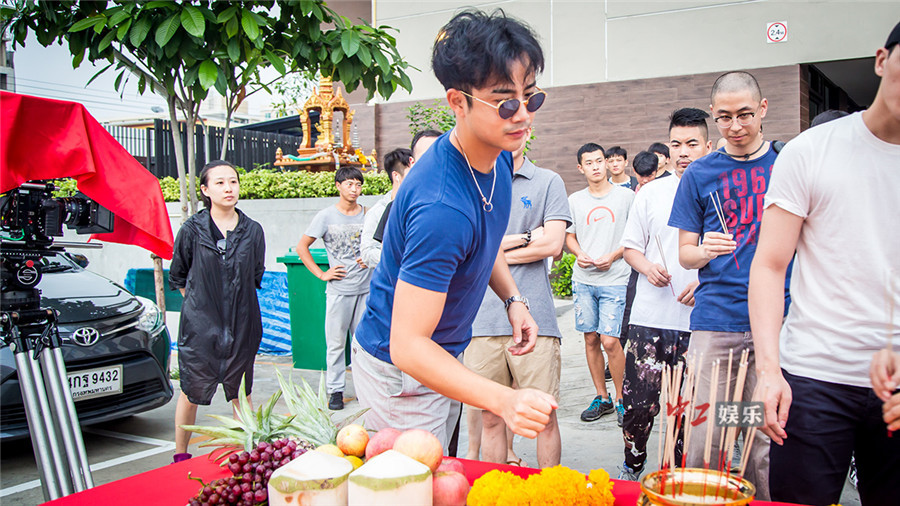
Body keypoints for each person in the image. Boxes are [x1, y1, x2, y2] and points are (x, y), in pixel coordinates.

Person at [350, 9, 556, 450]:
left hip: (443, 352)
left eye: (531, 97)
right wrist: (504, 399)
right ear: (458, 102)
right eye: (505, 102)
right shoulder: (440, 207)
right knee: (413, 479)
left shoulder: (498, 157)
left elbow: (484, 241)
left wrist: (513, 299)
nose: (523, 115)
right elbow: (407, 345)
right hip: (401, 373)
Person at [748, 23, 900, 505]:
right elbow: (770, 265)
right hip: (813, 377)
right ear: (882, 60)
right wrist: (769, 371)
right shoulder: (812, 150)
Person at [668, 71, 788, 500]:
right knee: (709, 434)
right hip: (717, 321)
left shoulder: (786, 164)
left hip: (778, 323)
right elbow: (684, 253)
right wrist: (704, 249)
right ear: (713, 116)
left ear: (763, 109)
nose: (735, 126)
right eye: (724, 117)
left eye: (744, 115)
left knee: (764, 436)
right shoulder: (700, 173)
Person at [466, 134, 571, 468]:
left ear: (527, 134)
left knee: (544, 415)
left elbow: (552, 244)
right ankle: (495, 489)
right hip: (481, 320)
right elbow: (467, 244)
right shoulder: (473, 182)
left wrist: (491, 255)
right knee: (490, 416)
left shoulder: (548, 181)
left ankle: (549, 491)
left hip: (536, 319)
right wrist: (526, 238)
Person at [616, 108, 708, 481]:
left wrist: (706, 283)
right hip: (650, 319)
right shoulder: (651, 193)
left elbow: (737, 253)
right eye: (676, 144)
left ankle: (675, 480)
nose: (683, 151)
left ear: (708, 146)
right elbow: (630, 248)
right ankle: (633, 465)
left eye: (692, 143)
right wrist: (647, 267)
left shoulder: (720, 191)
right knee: (638, 407)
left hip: (699, 322)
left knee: (686, 412)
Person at [169, 160, 265, 463]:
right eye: (220, 182)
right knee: (191, 391)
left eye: (233, 181)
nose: (228, 188)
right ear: (205, 189)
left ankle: (246, 457)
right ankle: (180, 456)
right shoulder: (191, 230)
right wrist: (202, 306)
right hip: (200, 329)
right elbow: (179, 276)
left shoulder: (253, 231)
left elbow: (255, 275)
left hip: (242, 325)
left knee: (242, 393)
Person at [567, 142, 635, 424]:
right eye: (589, 163)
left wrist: (613, 255)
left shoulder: (626, 197)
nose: (595, 167)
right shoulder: (574, 200)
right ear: (580, 168)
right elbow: (569, 236)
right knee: (590, 338)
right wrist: (578, 253)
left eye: (599, 161)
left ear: (607, 163)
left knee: (610, 340)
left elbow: (635, 236)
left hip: (615, 279)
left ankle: (621, 398)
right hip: (583, 280)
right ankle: (602, 397)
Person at [295, 167, 371, 411]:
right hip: (339, 290)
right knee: (336, 343)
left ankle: (364, 390)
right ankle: (335, 390)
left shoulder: (368, 214)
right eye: (349, 184)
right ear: (338, 186)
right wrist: (322, 274)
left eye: (358, 184)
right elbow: (302, 247)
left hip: (366, 289)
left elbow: (384, 241)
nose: (354, 189)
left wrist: (369, 257)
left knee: (363, 344)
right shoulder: (325, 216)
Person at [360, 148, 412, 269]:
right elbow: (367, 253)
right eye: (412, 173)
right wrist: (400, 258)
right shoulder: (378, 211)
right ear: (396, 176)